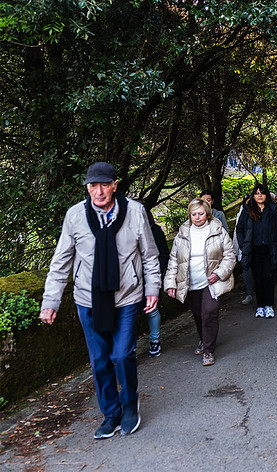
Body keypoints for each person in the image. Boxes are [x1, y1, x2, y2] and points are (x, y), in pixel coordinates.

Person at [40, 162, 161, 439]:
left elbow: (150, 255)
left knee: (121, 355)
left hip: (127, 297)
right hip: (88, 300)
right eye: (93, 185)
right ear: (87, 187)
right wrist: (51, 301)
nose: (99, 191)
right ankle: (111, 413)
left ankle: (130, 405)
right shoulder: (75, 216)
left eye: (104, 184)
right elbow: (61, 262)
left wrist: (152, 288)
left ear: (115, 185)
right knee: (99, 361)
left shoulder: (135, 211)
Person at [164, 198, 235, 366]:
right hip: (190, 282)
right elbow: (174, 260)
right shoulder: (182, 233)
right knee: (197, 314)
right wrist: (170, 283)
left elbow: (230, 255)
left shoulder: (217, 230)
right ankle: (203, 339)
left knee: (209, 312)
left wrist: (218, 274)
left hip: (211, 282)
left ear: (207, 213)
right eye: (193, 214)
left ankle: (208, 350)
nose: (197, 217)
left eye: (200, 214)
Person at [237, 184, 277, 319]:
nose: (259, 195)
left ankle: (269, 305)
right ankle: (260, 306)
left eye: (262, 193)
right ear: (253, 195)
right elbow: (239, 229)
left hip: (270, 249)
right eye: (257, 193)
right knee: (258, 279)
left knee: (268, 278)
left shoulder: (273, 209)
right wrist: (243, 245)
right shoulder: (248, 210)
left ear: (266, 194)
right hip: (254, 250)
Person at [144, 207, 170, 358]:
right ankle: (129, 346)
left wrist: (155, 272)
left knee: (152, 310)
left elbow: (164, 254)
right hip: (130, 280)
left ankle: (155, 341)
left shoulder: (155, 231)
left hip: (150, 277)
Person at [233, 195, 255, 305]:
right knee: (246, 269)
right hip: (245, 247)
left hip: (256, 247)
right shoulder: (241, 215)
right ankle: (249, 293)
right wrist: (238, 249)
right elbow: (237, 232)